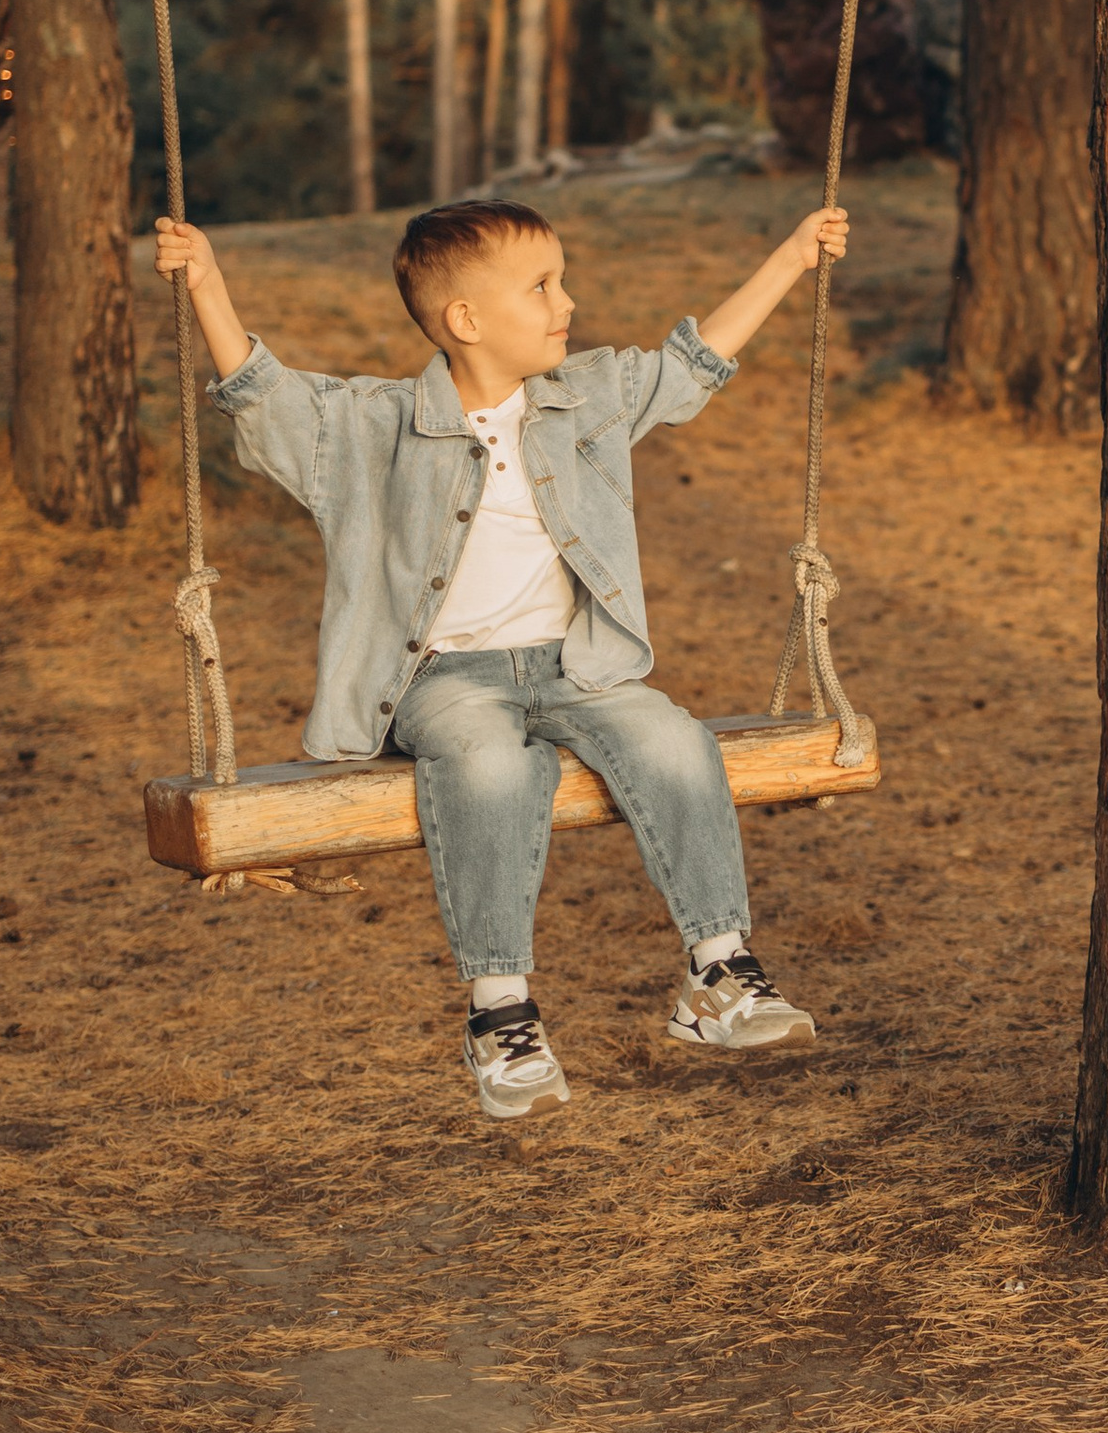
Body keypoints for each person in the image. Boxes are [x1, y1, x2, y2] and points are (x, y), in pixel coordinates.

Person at [153, 196, 846, 1122]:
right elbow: (265, 397)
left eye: (562, 281)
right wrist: (206, 284)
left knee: (675, 741)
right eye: (543, 287)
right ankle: (500, 1014)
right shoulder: (379, 425)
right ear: (466, 320)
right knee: (490, 766)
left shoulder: (585, 399)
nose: (568, 302)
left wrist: (794, 255)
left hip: (575, 667)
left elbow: (694, 364)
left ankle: (719, 974)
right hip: (444, 682)